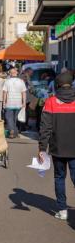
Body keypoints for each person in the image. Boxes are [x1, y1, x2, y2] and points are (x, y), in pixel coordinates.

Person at [38, 71, 75, 221]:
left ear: (57, 85)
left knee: (59, 177)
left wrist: (42, 148)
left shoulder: (51, 101)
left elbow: (45, 127)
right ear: (71, 84)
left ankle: (62, 209)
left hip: (57, 147)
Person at [3, 68, 26, 138]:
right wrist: (24, 102)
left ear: (10, 74)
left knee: (9, 117)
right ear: (16, 73)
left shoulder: (7, 81)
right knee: (15, 118)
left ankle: (12, 130)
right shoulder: (21, 81)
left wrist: (4, 102)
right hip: (18, 103)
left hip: (9, 102)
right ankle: (15, 131)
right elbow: (24, 93)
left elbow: (5, 92)